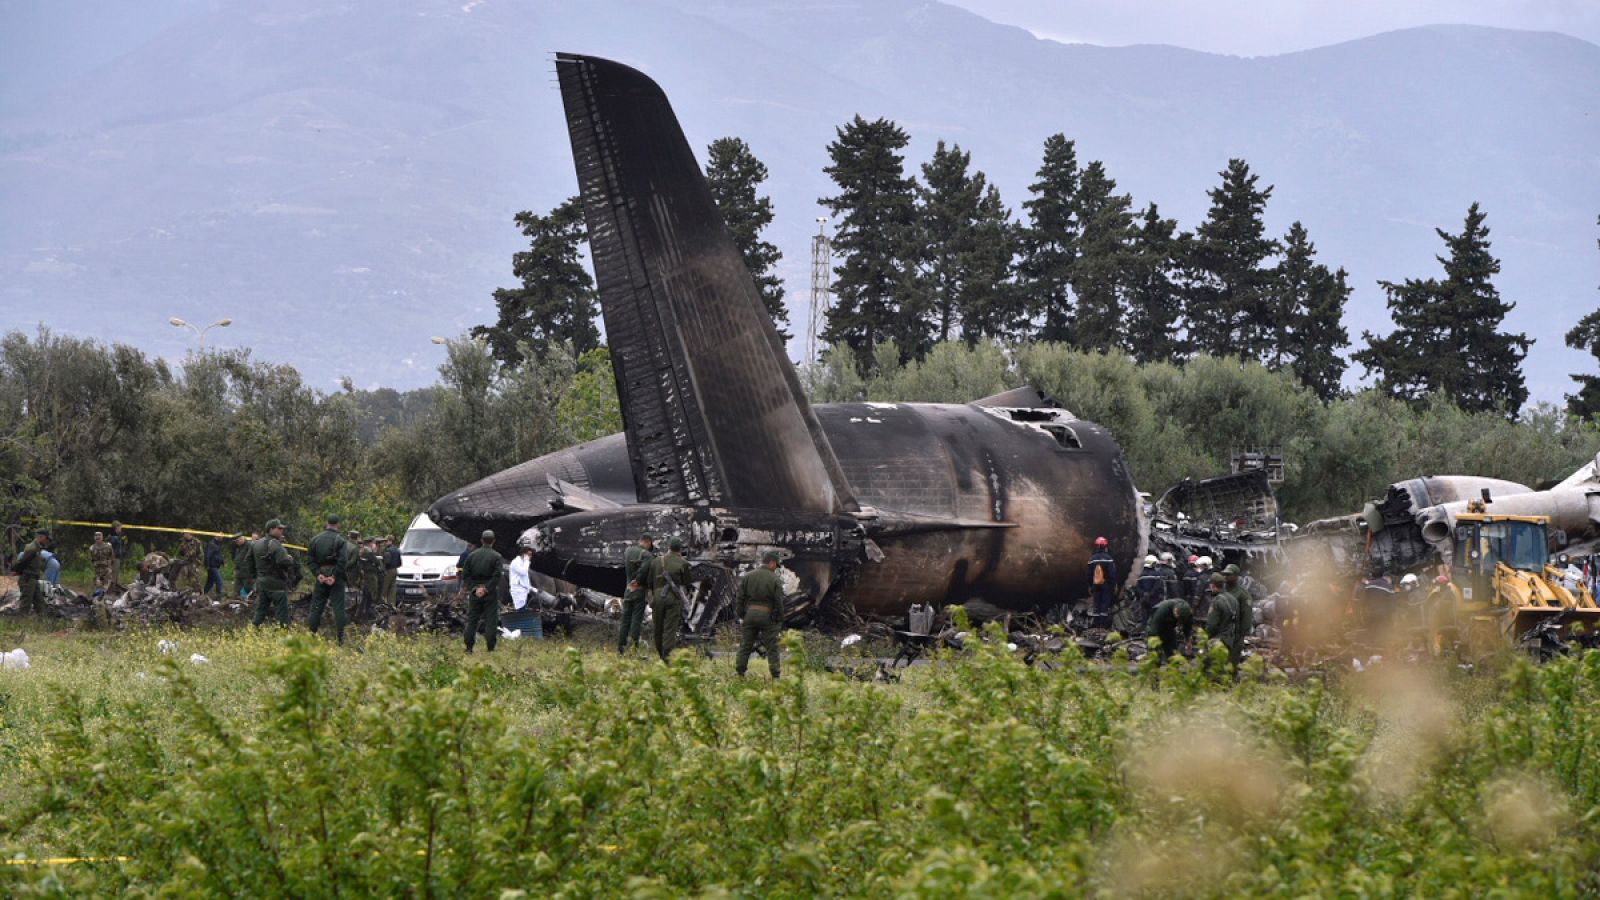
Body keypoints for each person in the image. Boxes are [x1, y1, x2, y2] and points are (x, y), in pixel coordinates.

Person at [736, 550, 786, 679]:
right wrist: (780, 618)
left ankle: (740, 672)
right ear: (771, 563)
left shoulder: (748, 576)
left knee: (745, 645)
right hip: (766, 615)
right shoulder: (775, 579)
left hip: (750, 614)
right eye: (776, 565)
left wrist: (742, 615)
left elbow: (740, 598)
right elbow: (779, 602)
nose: (776, 568)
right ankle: (775, 675)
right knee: (772, 647)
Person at [305, 514, 354, 643]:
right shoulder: (341, 540)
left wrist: (318, 574)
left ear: (326, 523)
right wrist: (334, 576)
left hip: (321, 575)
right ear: (338, 524)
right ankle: (340, 638)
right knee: (338, 607)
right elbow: (343, 561)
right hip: (336, 578)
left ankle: (311, 635)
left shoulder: (315, 540)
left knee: (316, 606)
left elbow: (310, 560)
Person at [647, 536, 692, 662]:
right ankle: (666, 656)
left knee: (658, 627)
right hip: (673, 597)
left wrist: (651, 598)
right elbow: (687, 581)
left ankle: (660, 653)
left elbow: (649, 582)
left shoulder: (656, 561)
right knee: (670, 628)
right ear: (680, 549)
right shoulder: (683, 563)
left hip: (657, 597)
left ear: (669, 547)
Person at [462, 530, 504, 653]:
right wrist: (486, 589)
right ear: (493, 541)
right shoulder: (497, 557)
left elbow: (465, 574)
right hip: (490, 593)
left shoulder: (472, 556)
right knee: (491, 620)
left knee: (472, 620)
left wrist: (475, 589)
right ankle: (490, 647)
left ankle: (469, 648)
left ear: (481, 540)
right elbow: (497, 576)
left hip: (475, 592)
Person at [248, 519, 296, 627]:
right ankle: (282, 634)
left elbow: (249, 562)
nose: (281, 531)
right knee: (282, 612)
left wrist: (255, 578)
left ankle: (253, 630)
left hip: (262, 583)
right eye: (279, 529)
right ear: (271, 530)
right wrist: (290, 559)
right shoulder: (275, 543)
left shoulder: (255, 544)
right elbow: (284, 561)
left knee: (261, 610)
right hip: (276, 584)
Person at [617, 532, 655, 653]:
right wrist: (638, 581)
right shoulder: (647, 555)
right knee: (636, 621)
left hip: (627, 591)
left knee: (625, 620)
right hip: (639, 592)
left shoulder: (628, 551)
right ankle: (633, 649)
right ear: (648, 542)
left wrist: (631, 583)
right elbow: (644, 571)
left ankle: (621, 648)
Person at [1204, 572, 1245, 671]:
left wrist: (1205, 638)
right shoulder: (1233, 599)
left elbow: (1211, 625)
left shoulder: (1217, 601)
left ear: (1213, 585)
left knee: (1212, 668)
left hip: (1218, 640)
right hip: (1231, 639)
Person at [508, 546, 544, 639]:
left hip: (523, 590)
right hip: (518, 591)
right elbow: (523, 572)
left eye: (530, 555)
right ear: (523, 554)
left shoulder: (522, 563)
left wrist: (534, 589)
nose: (530, 557)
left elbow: (525, 581)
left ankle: (523, 633)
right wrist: (527, 561)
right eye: (529, 554)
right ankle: (520, 633)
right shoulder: (516, 563)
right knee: (521, 611)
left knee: (528, 608)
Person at [12, 529, 50, 616]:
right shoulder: (32, 548)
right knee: (26, 603)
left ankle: (44, 622)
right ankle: (21, 624)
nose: (47, 541)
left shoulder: (37, 548)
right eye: (46, 538)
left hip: (33, 579)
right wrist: (16, 571)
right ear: (41, 537)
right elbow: (22, 562)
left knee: (40, 602)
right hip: (28, 579)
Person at [1146, 593, 1194, 662]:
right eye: (1177, 616)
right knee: (1155, 653)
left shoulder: (1188, 614)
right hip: (1156, 626)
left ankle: (1173, 666)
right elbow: (1154, 628)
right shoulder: (1164, 608)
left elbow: (1187, 628)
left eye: (1180, 618)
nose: (1178, 618)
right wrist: (1155, 643)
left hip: (1169, 628)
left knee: (1173, 651)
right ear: (1175, 610)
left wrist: (1188, 640)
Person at [1087, 536, 1118, 619]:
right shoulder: (1109, 559)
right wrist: (1113, 585)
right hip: (1106, 585)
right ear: (1105, 547)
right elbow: (1112, 574)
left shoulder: (1091, 559)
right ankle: (1103, 626)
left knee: (1096, 604)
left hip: (1095, 585)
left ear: (1096, 546)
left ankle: (1096, 625)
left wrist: (1090, 586)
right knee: (1104, 604)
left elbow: (1089, 575)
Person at [359, 539, 382, 620]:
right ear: (370, 543)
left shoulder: (363, 550)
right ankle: (369, 612)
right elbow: (376, 561)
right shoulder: (368, 551)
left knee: (366, 592)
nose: (374, 544)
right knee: (372, 592)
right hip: (371, 575)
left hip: (366, 573)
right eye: (373, 543)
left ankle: (364, 612)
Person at [89, 531, 116, 600]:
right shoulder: (92, 548)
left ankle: (104, 597)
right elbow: (91, 559)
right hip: (98, 570)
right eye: (96, 537)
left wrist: (110, 567)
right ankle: (98, 598)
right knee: (98, 585)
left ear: (102, 537)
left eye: (99, 536)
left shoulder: (108, 546)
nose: (98, 538)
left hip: (106, 569)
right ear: (94, 538)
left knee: (106, 585)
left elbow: (112, 557)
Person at [232, 533, 254, 599]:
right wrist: (235, 570)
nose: (236, 543)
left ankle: (248, 605)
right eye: (235, 542)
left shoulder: (250, 546)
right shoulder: (239, 548)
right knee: (237, 591)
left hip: (247, 574)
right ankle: (238, 604)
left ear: (242, 538)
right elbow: (237, 559)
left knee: (247, 591)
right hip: (239, 573)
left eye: (237, 541)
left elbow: (252, 559)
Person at [381, 536, 401, 606]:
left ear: (390, 541)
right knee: (392, 590)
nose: (385, 543)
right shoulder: (397, 550)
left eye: (386, 541)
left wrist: (384, 567)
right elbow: (400, 563)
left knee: (384, 588)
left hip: (388, 570)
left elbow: (387, 562)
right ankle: (392, 605)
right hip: (395, 570)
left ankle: (381, 605)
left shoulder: (388, 550)